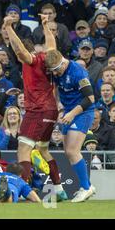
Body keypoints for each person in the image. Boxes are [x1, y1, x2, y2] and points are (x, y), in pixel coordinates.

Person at [4, 13, 68, 201]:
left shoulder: (32, 60)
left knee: (23, 150)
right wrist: (45, 24)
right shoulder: (48, 58)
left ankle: (24, 192)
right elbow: (52, 44)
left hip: (38, 110)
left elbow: (20, 51)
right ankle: (59, 189)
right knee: (43, 150)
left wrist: (9, 28)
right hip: (50, 110)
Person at [45, 48, 97, 202]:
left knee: (73, 150)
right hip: (68, 111)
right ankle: (87, 185)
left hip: (82, 112)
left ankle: (86, 189)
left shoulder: (78, 73)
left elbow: (90, 99)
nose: (54, 74)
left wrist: (71, 114)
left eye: (56, 70)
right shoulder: (57, 72)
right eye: (51, 70)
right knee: (68, 152)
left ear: (63, 62)